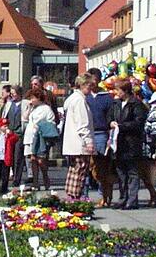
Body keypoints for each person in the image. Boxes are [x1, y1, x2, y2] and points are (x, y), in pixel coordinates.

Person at [107, 79, 148, 210]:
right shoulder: (116, 103)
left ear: (125, 90)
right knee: (120, 172)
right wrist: (111, 123)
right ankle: (122, 197)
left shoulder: (136, 104)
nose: (116, 92)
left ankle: (132, 200)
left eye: (118, 90)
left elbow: (139, 122)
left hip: (131, 143)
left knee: (132, 172)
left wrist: (122, 126)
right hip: (118, 143)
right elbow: (109, 117)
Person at [62, 73, 96, 199]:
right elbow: (83, 123)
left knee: (73, 170)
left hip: (71, 143)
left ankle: (71, 196)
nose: (90, 88)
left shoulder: (71, 99)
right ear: (82, 85)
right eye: (89, 85)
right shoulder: (80, 101)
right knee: (80, 171)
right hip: (79, 143)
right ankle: (75, 198)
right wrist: (89, 142)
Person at [86, 68, 115, 207]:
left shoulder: (106, 97)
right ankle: (84, 195)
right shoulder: (84, 97)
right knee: (88, 167)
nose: (92, 83)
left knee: (102, 167)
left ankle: (103, 195)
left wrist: (110, 135)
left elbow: (110, 117)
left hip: (101, 133)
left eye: (95, 80)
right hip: (87, 134)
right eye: (90, 81)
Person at [23, 88, 56, 190]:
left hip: (40, 137)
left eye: (33, 98)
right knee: (32, 160)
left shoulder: (46, 109)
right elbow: (25, 118)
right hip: (30, 136)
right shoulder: (33, 108)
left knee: (41, 160)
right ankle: (35, 182)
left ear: (38, 98)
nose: (31, 100)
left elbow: (48, 122)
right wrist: (28, 109)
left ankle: (45, 177)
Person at [5, 85, 30, 187]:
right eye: (11, 93)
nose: (12, 95)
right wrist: (5, 128)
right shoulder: (9, 104)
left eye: (14, 93)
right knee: (9, 156)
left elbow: (26, 119)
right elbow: (4, 118)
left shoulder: (25, 104)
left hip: (19, 134)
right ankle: (8, 176)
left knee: (18, 157)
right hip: (9, 133)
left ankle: (17, 178)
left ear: (19, 93)